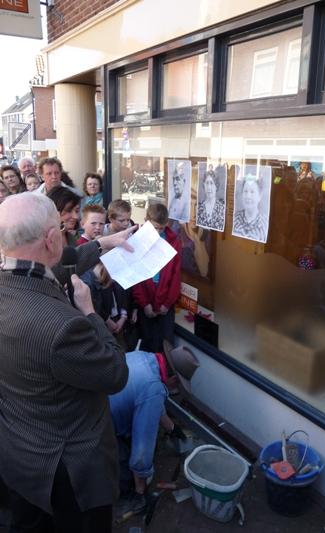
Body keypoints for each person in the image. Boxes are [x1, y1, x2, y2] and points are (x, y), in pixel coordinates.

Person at [0, 192, 129, 533]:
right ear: (52, 238)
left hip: (18, 456)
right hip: (70, 476)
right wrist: (89, 313)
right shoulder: (63, 325)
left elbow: (54, 262)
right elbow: (115, 373)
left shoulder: (12, 280)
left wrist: (104, 243)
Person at [110, 344, 199, 518]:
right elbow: (142, 451)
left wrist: (172, 428)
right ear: (174, 378)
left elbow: (151, 401)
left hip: (96, 403)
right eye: (178, 385)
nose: (177, 389)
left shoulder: (145, 357)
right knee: (126, 468)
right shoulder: (153, 388)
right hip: (98, 425)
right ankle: (129, 500)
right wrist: (141, 491)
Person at [132, 203, 181, 352]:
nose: (158, 232)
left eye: (161, 228)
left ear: (167, 224)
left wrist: (167, 303)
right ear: (146, 221)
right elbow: (135, 274)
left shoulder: (174, 242)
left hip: (165, 300)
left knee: (166, 344)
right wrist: (144, 303)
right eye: (154, 228)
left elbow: (175, 275)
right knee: (147, 342)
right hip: (146, 298)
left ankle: (164, 374)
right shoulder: (138, 240)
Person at [233, 175, 268, 242]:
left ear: (259, 196)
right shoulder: (235, 219)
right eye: (245, 191)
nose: (248, 196)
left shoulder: (264, 224)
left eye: (252, 192)